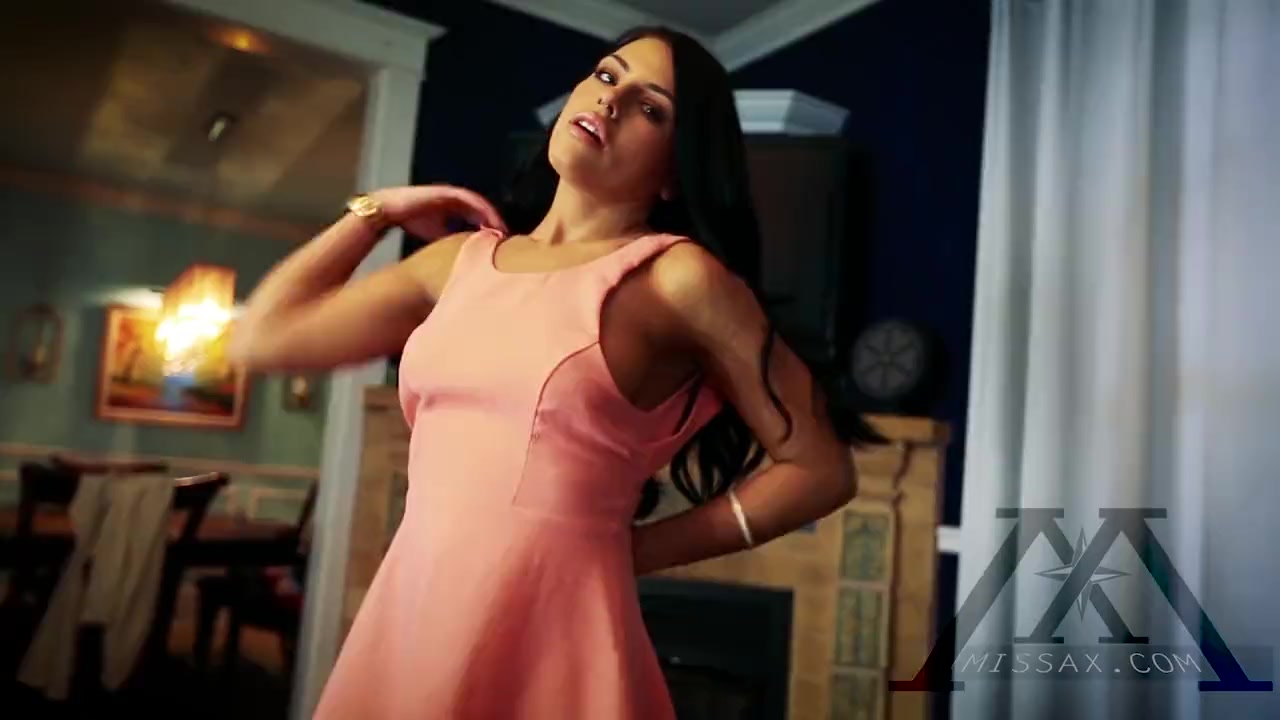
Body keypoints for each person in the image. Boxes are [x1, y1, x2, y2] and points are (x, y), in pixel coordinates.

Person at [232, 26, 874, 720]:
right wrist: (375, 213)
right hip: (414, 609)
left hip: (556, 636)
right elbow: (265, 336)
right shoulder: (457, 262)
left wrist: (632, 551)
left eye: (649, 107)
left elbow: (820, 470)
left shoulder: (679, 277)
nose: (610, 100)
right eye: (606, 75)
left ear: (674, 172)